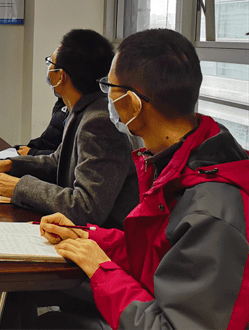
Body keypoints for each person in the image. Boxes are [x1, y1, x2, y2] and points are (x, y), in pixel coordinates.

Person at [37, 29, 249, 330]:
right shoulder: (183, 159)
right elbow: (155, 253)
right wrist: (88, 237)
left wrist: (100, 268)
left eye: (109, 87)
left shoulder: (211, 208)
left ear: (132, 102)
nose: (106, 97)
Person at [0, 29, 139, 229]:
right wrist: (10, 165)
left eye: (50, 63)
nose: (48, 69)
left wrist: (21, 187)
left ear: (61, 76)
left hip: (101, 239)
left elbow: (86, 208)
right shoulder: (85, 110)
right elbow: (57, 162)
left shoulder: (99, 123)